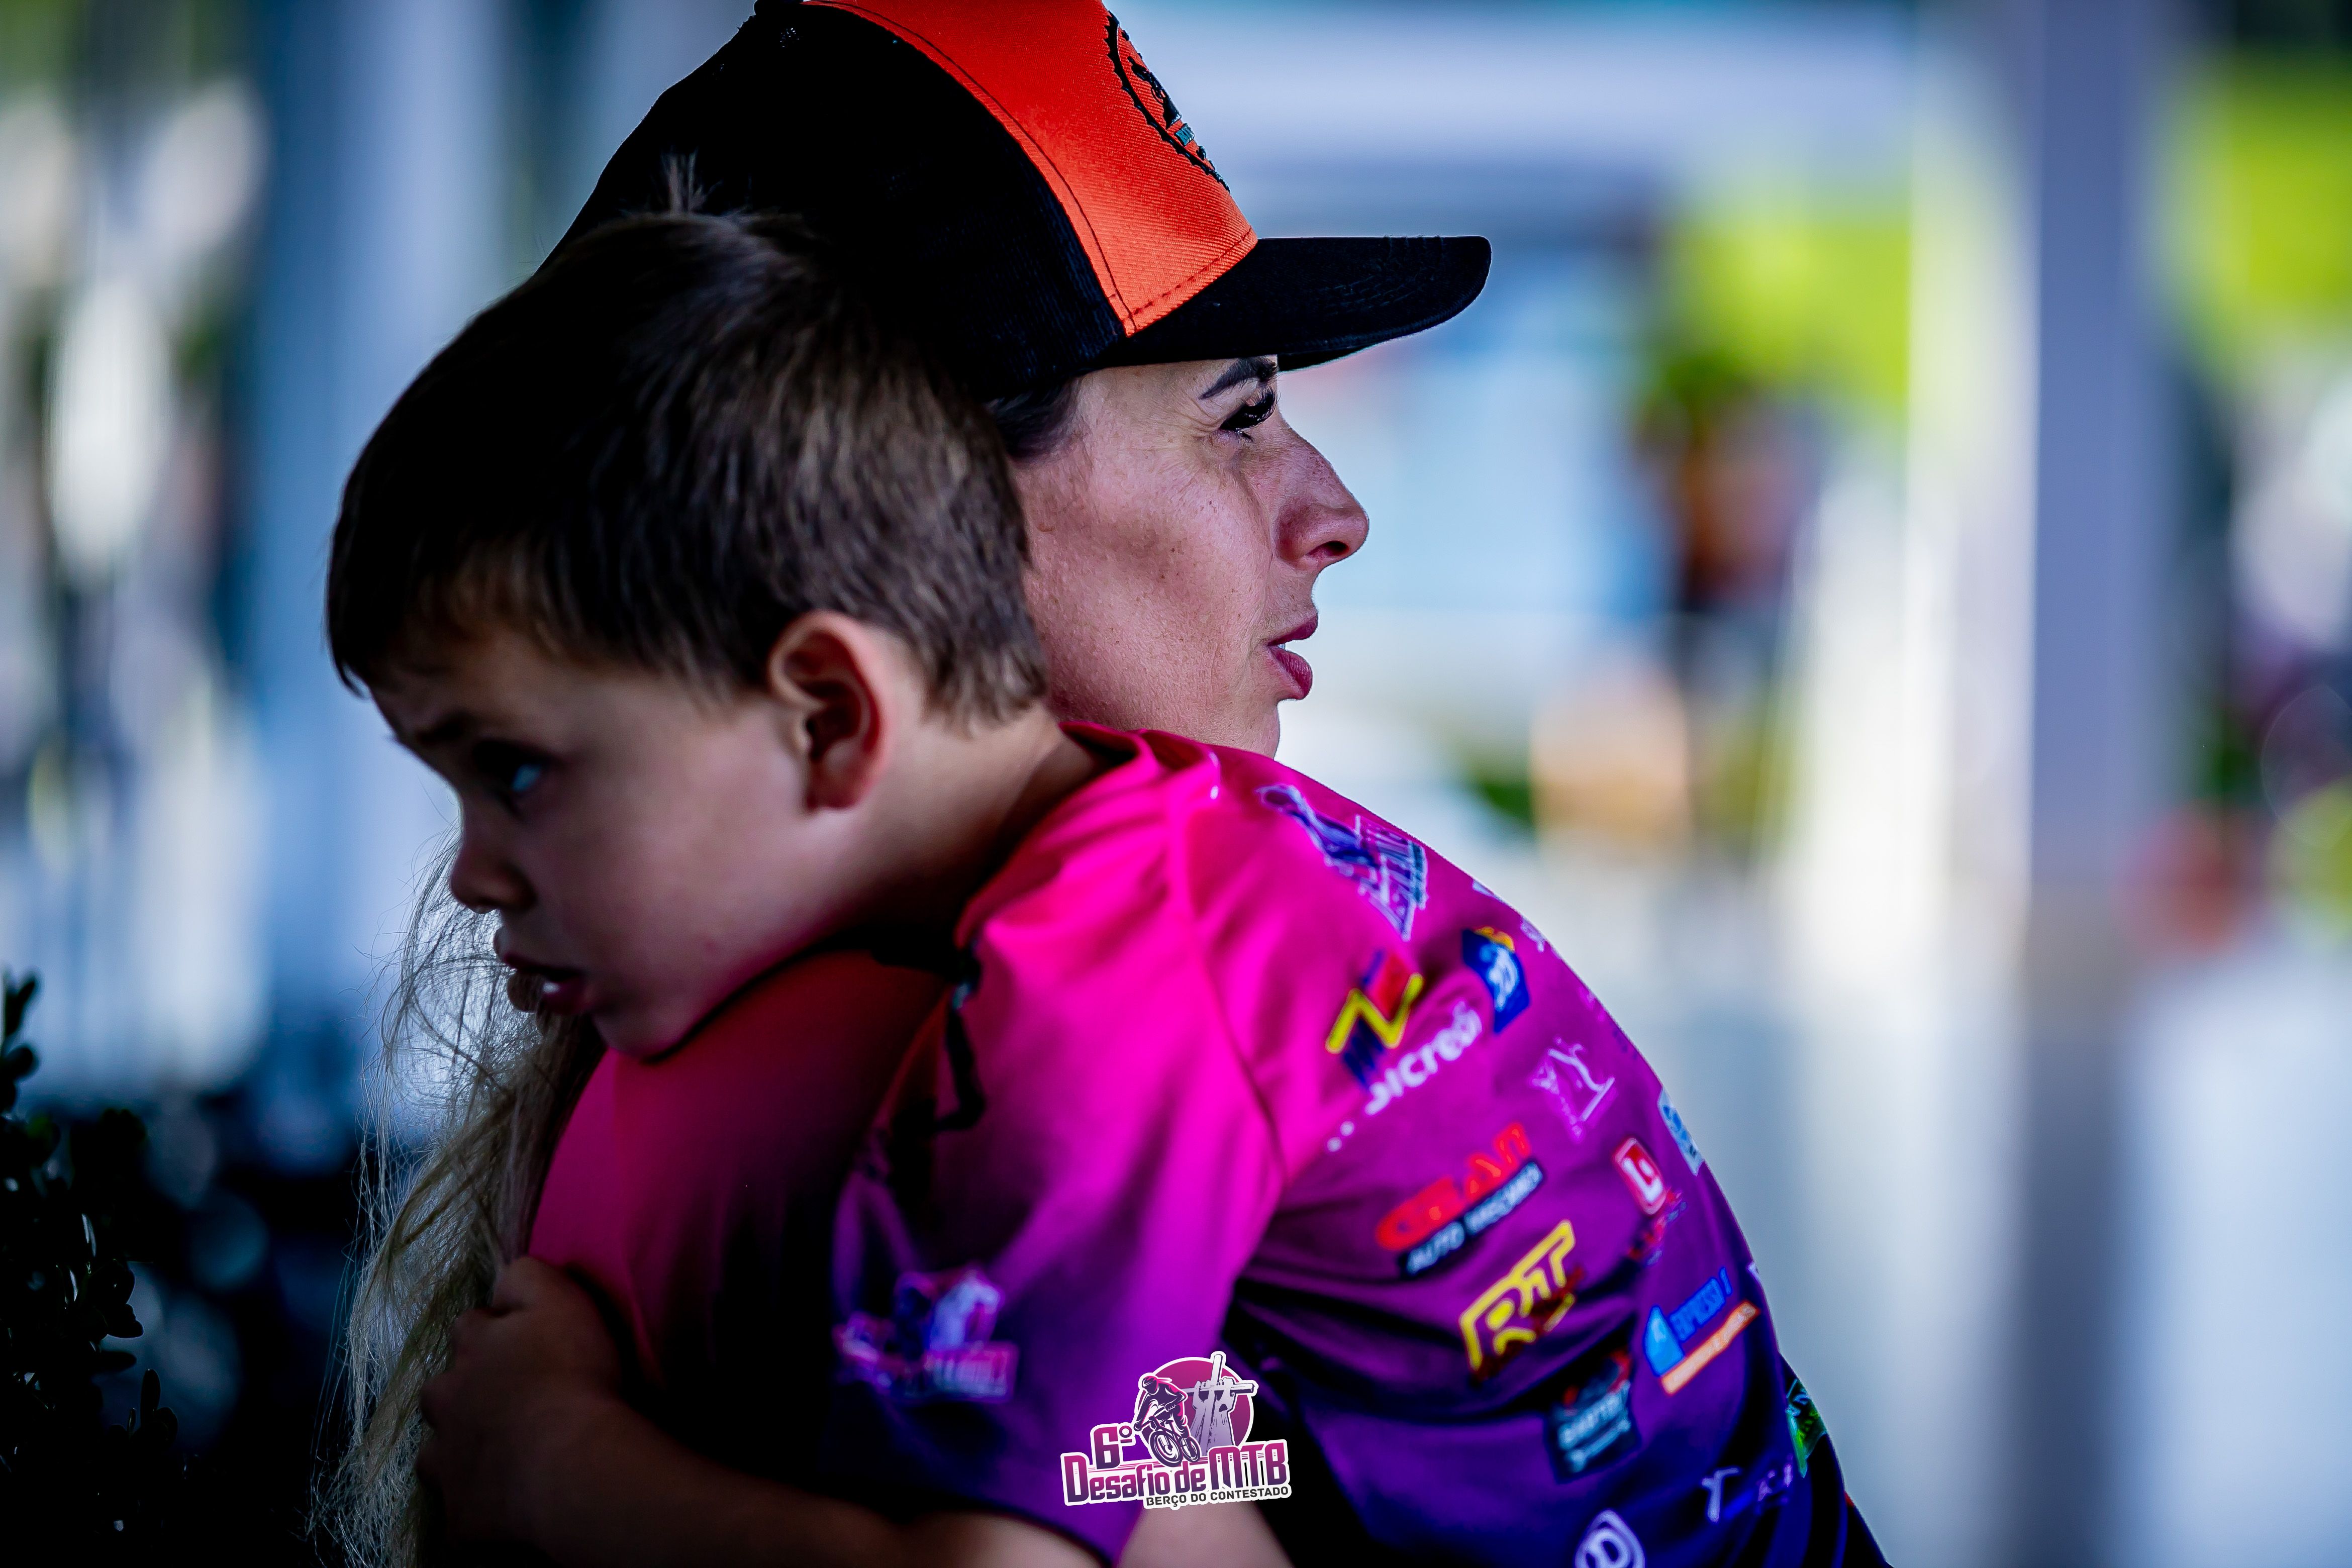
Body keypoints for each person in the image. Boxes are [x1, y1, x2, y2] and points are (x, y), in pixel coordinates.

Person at [330, 207, 1879, 1568]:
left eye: (515, 771)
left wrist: (567, 1469)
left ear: (831, 711)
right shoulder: (1201, 836)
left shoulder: (1083, 1005)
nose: (472, 873)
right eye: (1239, 417)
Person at [333, 5, 1479, 1566]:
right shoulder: (901, 1084)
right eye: (1240, 417)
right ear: (915, 521)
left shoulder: (810, 1032)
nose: (1332, 513)